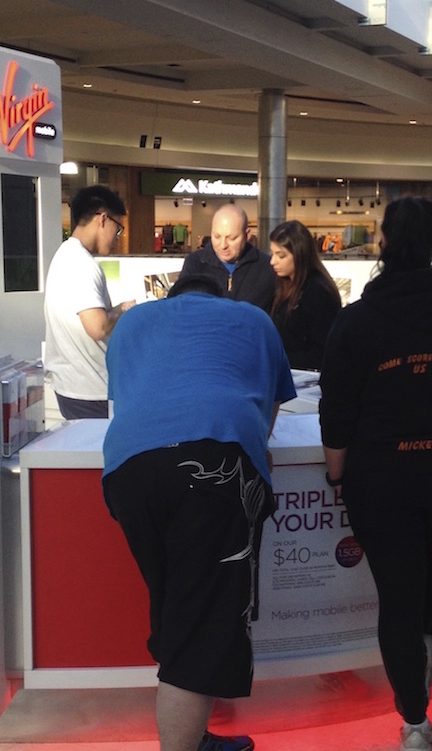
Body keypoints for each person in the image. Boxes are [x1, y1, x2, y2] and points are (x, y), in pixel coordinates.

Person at [318, 196, 432, 751]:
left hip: (378, 478)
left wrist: (335, 476)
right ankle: (428, 641)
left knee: (397, 594)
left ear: (381, 243)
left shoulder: (355, 322)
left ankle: (415, 720)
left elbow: (338, 410)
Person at [101, 274, 296, 751]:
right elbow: (267, 407)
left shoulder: (131, 323)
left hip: (129, 473)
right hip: (215, 466)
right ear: (220, 296)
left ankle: (195, 736)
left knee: (176, 607)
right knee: (203, 626)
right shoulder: (252, 318)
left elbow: (127, 397)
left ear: (173, 298)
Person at [43, 185, 135, 419]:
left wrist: (114, 310)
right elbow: (97, 327)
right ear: (103, 219)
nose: (117, 237)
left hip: (73, 386)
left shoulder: (64, 255)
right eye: (118, 228)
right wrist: (125, 311)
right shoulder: (83, 264)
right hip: (90, 389)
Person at [268, 220, 342, 370]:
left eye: (281, 256)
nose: (272, 261)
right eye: (272, 254)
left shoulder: (318, 292)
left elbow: (322, 352)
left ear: (299, 254)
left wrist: (278, 360)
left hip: (306, 381)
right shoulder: (284, 285)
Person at [180, 204, 276, 313]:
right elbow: (181, 308)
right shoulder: (195, 263)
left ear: (247, 235)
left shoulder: (266, 267)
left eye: (231, 238)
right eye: (217, 236)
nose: (223, 245)